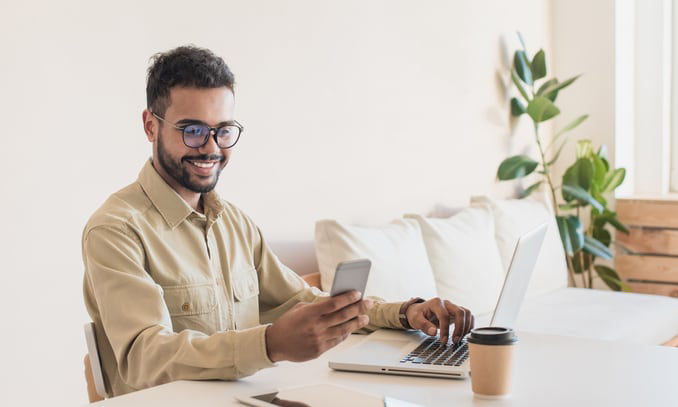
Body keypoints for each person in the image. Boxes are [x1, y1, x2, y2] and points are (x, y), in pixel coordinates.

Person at [82, 45, 474, 397]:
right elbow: (144, 357)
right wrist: (269, 345)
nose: (211, 148)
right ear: (151, 125)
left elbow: (301, 301)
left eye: (223, 131)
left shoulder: (235, 224)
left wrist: (406, 313)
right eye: (193, 131)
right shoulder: (116, 230)